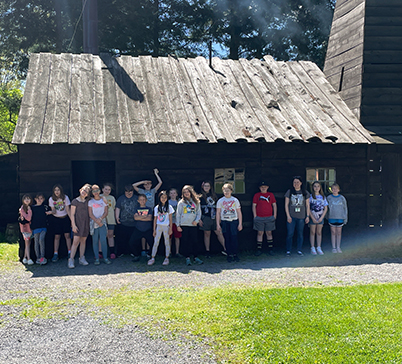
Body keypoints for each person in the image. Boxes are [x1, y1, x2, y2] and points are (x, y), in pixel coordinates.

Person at [132, 169, 163, 256]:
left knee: (150, 231)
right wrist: (143, 182)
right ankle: (143, 249)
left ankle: (150, 250)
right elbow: (134, 185)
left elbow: (160, 183)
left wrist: (156, 174)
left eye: (149, 184)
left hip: (152, 211)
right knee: (142, 231)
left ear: (151, 185)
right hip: (142, 210)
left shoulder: (153, 191)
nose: (147, 185)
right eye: (145, 184)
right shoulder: (142, 191)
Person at [176, 185, 202, 266]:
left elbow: (198, 212)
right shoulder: (181, 202)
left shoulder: (196, 202)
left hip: (193, 224)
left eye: (187, 192)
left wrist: (197, 221)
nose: (186, 194)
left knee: (194, 241)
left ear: (191, 192)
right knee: (185, 242)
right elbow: (178, 214)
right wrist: (178, 225)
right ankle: (187, 258)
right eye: (184, 192)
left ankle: (195, 257)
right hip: (184, 224)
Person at [284, 176, 310, 257]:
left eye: (298, 182)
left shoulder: (305, 193)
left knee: (300, 234)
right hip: (291, 216)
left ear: (301, 183)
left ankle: (299, 250)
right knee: (290, 233)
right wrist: (288, 216)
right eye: (294, 182)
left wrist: (307, 216)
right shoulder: (289, 192)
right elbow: (286, 205)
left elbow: (307, 205)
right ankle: (288, 250)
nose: (296, 184)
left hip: (301, 216)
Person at [216, 183, 243, 263]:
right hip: (225, 221)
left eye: (228, 191)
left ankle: (235, 254)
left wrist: (240, 223)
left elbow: (239, 212)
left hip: (233, 221)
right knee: (226, 238)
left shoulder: (235, 200)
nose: (226, 192)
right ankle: (229, 255)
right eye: (225, 191)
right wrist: (218, 224)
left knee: (234, 238)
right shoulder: (220, 201)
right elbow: (218, 213)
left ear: (231, 191)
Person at [199, 181, 226, 258]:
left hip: (214, 217)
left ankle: (226, 249)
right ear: (202, 187)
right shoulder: (200, 197)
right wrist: (200, 219)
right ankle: (207, 251)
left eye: (208, 186)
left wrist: (219, 217)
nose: (206, 187)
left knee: (219, 232)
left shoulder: (215, 196)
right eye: (205, 186)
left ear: (210, 187)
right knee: (207, 234)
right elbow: (198, 209)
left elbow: (219, 208)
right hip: (205, 217)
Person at [68, 184, 92, 269]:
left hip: (85, 223)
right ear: (80, 190)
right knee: (75, 241)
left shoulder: (87, 201)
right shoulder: (75, 201)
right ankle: (71, 259)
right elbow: (72, 214)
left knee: (83, 241)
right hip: (77, 223)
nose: (84, 192)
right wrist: (73, 225)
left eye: (86, 192)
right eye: (83, 190)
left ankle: (82, 257)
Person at [148, 191, 174, 266]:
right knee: (156, 242)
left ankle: (167, 257)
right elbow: (155, 219)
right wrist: (154, 230)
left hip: (166, 226)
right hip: (159, 226)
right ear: (159, 198)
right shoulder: (156, 207)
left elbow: (170, 219)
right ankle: (152, 257)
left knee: (167, 242)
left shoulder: (169, 207)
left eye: (165, 198)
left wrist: (170, 229)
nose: (163, 199)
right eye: (162, 197)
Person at [48, 184, 72, 262]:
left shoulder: (65, 198)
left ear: (61, 191)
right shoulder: (51, 199)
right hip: (56, 219)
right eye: (55, 190)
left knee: (67, 235)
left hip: (65, 218)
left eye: (58, 190)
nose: (57, 192)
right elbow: (54, 210)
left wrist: (72, 220)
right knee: (57, 236)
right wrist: (51, 212)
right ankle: (55, 253)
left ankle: (70, 252)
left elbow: (68, 209)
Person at [252, 181, 277, 256]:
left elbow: (274, 205)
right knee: (260, 233)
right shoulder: (257, 195)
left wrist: (274, 215)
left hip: (269, 216)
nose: (263, 188)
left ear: (267, 187)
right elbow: (254, 206)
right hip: (259, 217)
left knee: (269, 233)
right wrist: (255, 216)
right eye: (262, 187)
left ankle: (270, 249)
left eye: (265, 187)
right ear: (259, 188)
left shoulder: (270, 195)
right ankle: (259, 249)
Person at [88, 185, 111, 265]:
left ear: (99, 190)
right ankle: (97, 258)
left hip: (102, 222)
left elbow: (106, 212)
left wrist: (100, 219)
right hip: (94, 223)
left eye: (97, 190)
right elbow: (90, 213)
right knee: (94, 241)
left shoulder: (103, 200)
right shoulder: (90, 201)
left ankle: (105, 257)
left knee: (103, 240)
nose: (96, 192)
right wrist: (96, 220)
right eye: (93, 191)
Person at [115, 185, 138, 256]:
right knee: (122, 239)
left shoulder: (136, 198)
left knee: (133, 239)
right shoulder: (120, 198)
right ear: (124, 192)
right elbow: (118, 208)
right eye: (127, 191)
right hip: (123, 222)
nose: (129, 193)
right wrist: (117, 217)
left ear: (133, 191)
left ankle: (133, 252)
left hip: (134, 223)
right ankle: (121, 252)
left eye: (130, 191)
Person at [131, 194, 154, 262]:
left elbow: (150, 218)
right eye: (140, 200)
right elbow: (135, 218)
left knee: (152, 243)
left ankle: (149, 254)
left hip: (148, 229)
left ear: (146, 200)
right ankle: (136, 255)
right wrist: (144, 216)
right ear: (138, 201)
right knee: (131, 242)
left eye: (143, 199)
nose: (142, 201)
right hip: (138, 229)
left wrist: (139, 217)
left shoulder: (149, 209)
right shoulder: (136, 209)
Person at [31, 193, 52, 265]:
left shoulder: (45, 207)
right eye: (38, 198)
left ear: (43, 199)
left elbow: (51, 212)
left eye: (41, 198)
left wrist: (50, 212)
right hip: (36, 227)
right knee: (36, 242)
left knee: (41, 240)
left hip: (43, 226)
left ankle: (42, 256)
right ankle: (38, 257)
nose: (40, 200)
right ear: (35, 199)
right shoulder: (32, 208)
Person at [327, 183, 348, 253]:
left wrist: (345, 218)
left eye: (336, 189)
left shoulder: (342, 198)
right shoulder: (329, 198)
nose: (334, 190)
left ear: (338, 190)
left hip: (340, 217)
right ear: (331, 190)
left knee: (339, 233)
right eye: (333, 189)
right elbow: (326, 208)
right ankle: (333, 247)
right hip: (332, 217)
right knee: (333, 232)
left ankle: (338, 247)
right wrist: (327, 216)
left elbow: (345, 208)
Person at [309, 181, 328, 255]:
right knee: (312, 232)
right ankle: (312, 247)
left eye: (318, 186)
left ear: (320, 188)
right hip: (313, 216)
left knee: (319, 232)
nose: (316, 188)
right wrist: (312, 217)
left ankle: (319, 247)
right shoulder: (310, 197)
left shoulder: (323, 197)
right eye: (315, 186)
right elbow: (308, 208)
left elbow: (325, 208)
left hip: (320, 217)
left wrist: (322, 217)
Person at [101, 183, 117, 259]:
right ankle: (100, 252)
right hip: (101, 219)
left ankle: (112, 252)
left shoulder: (112, 198)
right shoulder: (99, 197)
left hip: (110, 219)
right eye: (106, 189)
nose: (107, 191)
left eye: (109, 189)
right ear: (102, 189)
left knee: (110, 235)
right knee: (101, 236)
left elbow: (113, 208)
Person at [19, 194, 34, 265]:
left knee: (28, 243)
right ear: (23, 200)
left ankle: (24, 258)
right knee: (27, 243)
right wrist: (29, 211)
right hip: (25, 228)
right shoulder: (22, 208)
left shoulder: (30, 207)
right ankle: (29, 258)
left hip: (30, 228)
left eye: (28, 198)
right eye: (25, 199)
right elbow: (28, 218)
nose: (27, 200)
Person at [168, 188, 182, 257]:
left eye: (174, 193)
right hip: (169, 222)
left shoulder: (179, 202)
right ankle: (169, 252)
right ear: (169, 194)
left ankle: (177, 252)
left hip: (177, 222)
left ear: (176, 194)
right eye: (171, 193)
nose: (173, 194)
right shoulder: (167, 202)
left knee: (177, 237)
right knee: (169, 238)